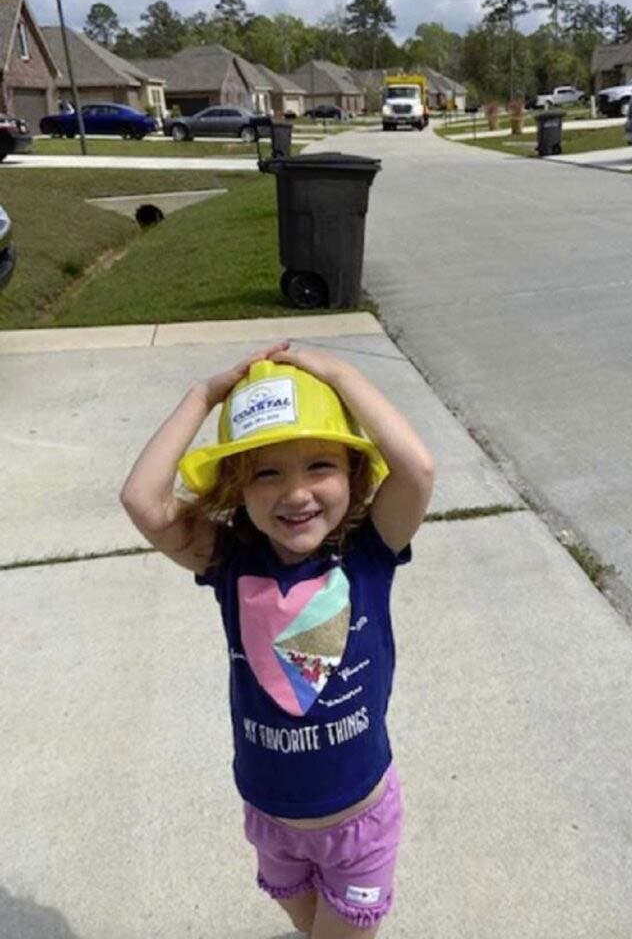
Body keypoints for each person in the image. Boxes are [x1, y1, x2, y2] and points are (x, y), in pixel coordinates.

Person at [120, 341, 435, 939]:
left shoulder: (369, 552)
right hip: (271, 818)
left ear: (355, 473)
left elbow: (417, 469)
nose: (296, 494)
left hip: (359, 821)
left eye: (321, 466)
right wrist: (202, 395)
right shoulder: (230, 559)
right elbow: (144, 501)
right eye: (267, 472)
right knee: (307, 924)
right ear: (237, 490)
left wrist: (339, 373)